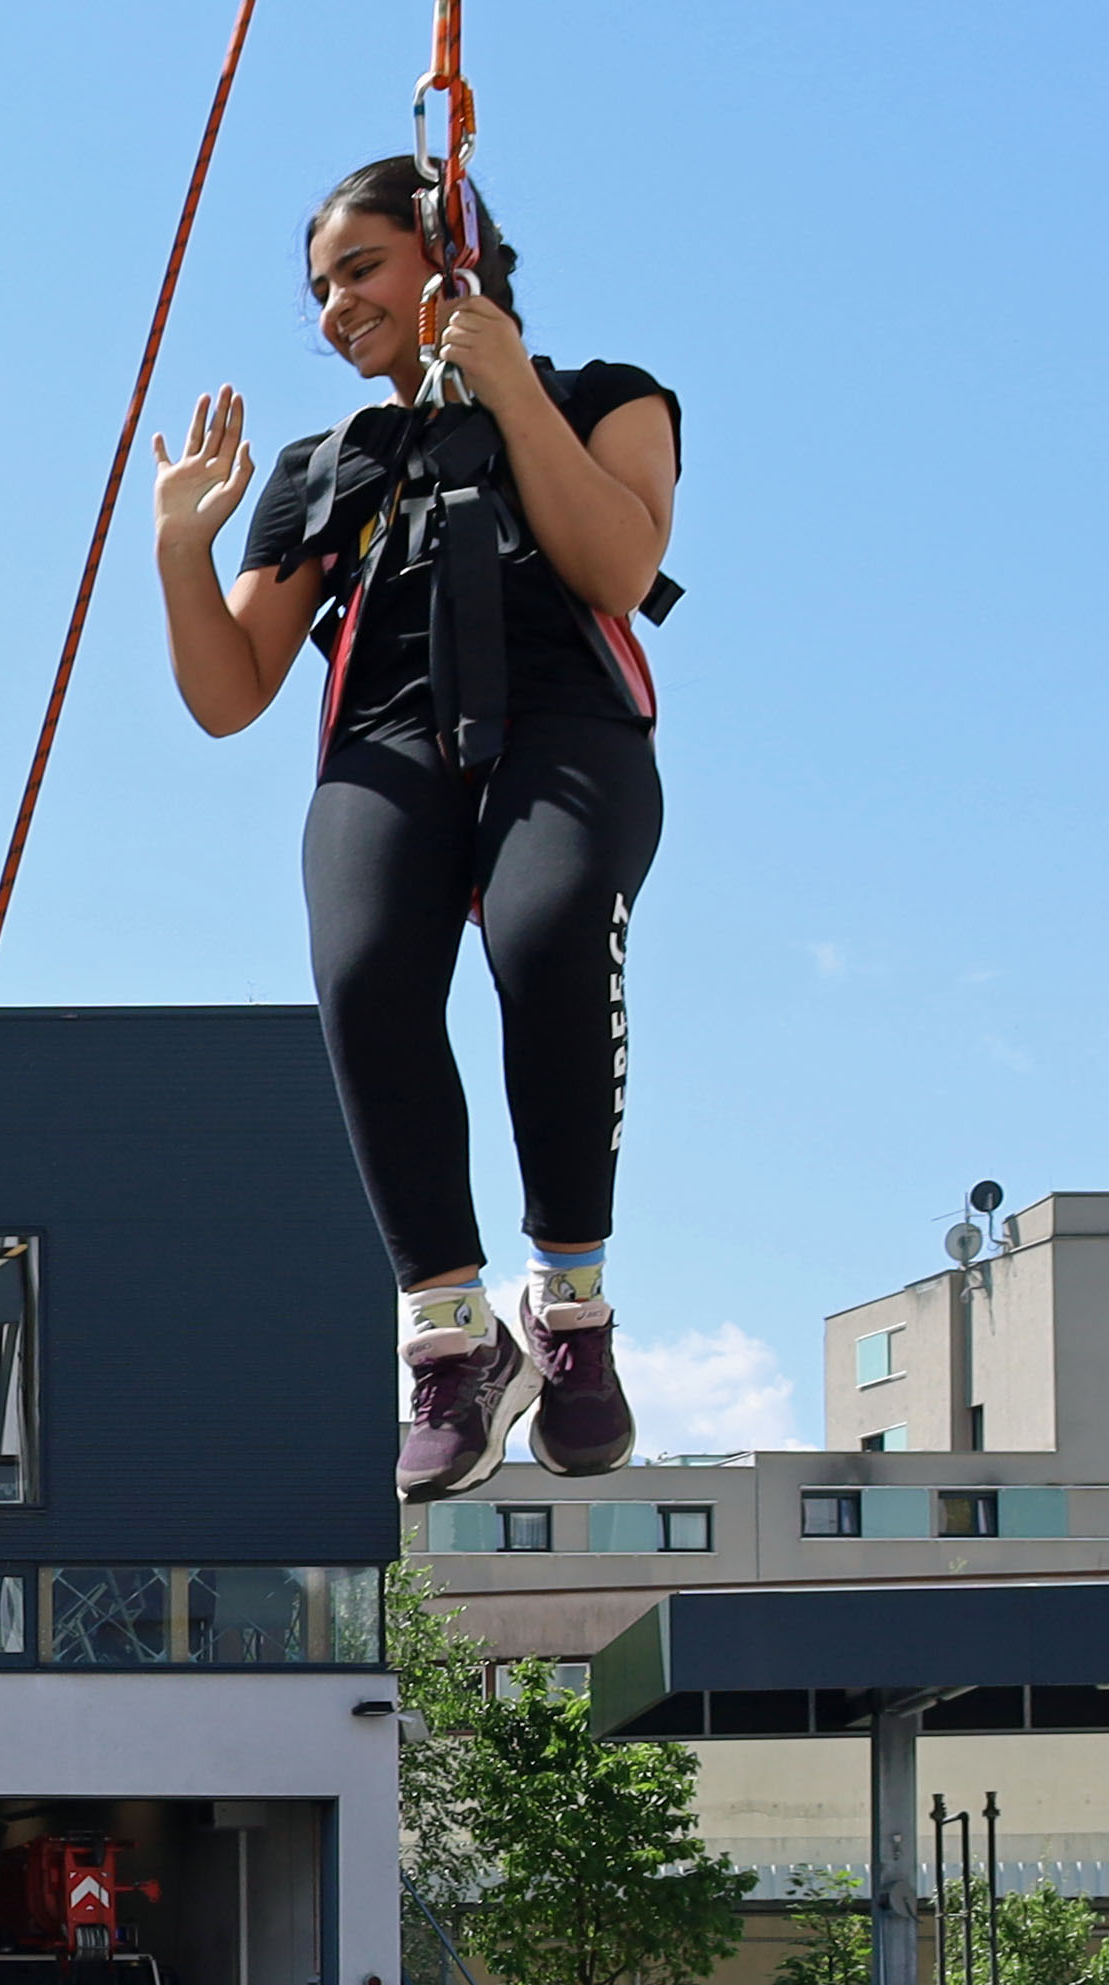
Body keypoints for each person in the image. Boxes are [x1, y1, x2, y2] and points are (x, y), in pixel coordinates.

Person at [152, 152, 679, 1505]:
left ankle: (569, 1314)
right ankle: (451, 1339)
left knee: (547, 930)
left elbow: (615, 567)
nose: (333, 307)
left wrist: (502, 386)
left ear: (448, 253)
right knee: (367, 973)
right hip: (384, 744)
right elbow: (229, 694)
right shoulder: (325, 466)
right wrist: (180, 552)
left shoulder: (603, 400)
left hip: (564, 726)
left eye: (358, 270)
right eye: (317, 290)